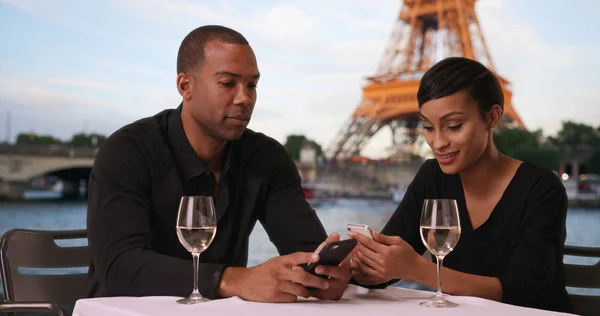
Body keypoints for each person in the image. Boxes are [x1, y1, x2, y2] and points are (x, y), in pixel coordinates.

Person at [86, 25, 351, 303]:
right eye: (228, 83)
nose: (244, 98)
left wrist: (324, 276)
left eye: (252, 85)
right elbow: (119, 269)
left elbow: (308, 250)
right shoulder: (128, 151)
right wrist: (235, 279)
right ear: (185, 86)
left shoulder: (267, 157)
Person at [348, 57, 572, 313]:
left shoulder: (542, 189)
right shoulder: (432, 176)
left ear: (492, 117)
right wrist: (344, 266)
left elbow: (526, 292)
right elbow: (387, 267)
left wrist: (416, 268)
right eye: (428, 127)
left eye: (453, 126)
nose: (438, 142)